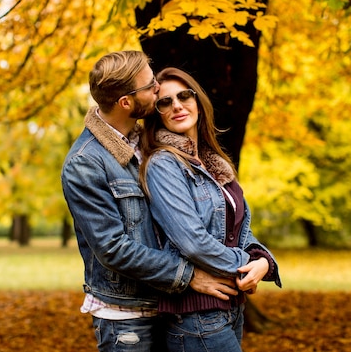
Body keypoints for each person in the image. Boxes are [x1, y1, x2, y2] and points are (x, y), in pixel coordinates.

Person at [61, 51, 238, 352]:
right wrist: (189, 276)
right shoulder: (85, 163)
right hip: (127, 316)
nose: (158, 88)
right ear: (126, 102)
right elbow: (112, 248)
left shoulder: (147, 143)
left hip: (170, 306)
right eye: (150, 85)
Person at [139, 67, 282, 352]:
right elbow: (192, 242)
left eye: (184, 96)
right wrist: (243, 266)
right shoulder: (163, 164)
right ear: (157, 114)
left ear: (198, 102)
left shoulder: (214, 163)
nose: (177, 105)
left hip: (230, 306)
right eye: (165, 102)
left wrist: (264, 262)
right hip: (195, 315)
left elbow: (241, 229)